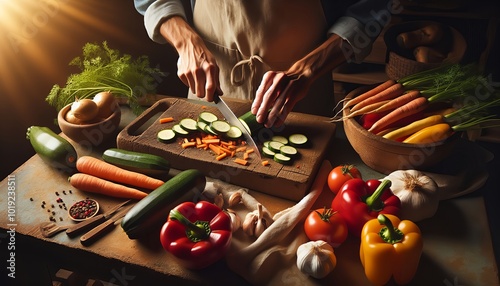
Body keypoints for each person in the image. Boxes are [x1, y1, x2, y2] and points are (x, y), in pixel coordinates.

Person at [134, 0, 392, 127]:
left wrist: (309, 68)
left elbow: (371, 8)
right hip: (211, 88)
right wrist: (186, 42)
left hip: (301, 96)